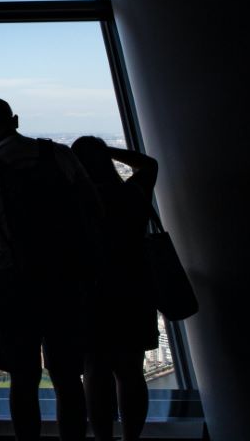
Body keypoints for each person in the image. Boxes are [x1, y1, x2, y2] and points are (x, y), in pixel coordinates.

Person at [0, 98, 102, 441]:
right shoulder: (58, 154)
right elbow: (92, 209)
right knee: (67, 376)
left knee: (23, 379)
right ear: (15, 119)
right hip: (66, 277)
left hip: (15, 281)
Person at [71, 137, 158, 441]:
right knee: (132, 370)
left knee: (94, 370)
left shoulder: (76, 202)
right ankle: (132, 438)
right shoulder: (133, 192)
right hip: (135, 287)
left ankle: (103, 437)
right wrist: (105, 151)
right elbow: (148, 164)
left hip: (92, 290)